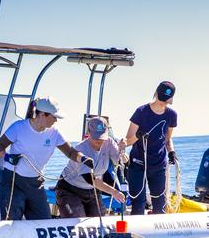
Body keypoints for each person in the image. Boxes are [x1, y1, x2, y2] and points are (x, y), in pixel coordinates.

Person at [0, 96, 94, 220]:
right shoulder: (18, 127)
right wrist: (7, 157)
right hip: (13, 181)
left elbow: (70, 152)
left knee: (44, 221)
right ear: (42, 115)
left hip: (35, 183)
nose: (56, 121)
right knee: (11, 222)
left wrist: (83, 158)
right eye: (54, 117)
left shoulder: (54, 132)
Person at [120, 81, 178, 214]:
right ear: (156, 93)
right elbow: (127, 141)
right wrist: (138, 136)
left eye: (166, 101)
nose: (163, 103)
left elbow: (167, 140)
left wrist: (172, 152)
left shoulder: (172, 115)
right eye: (161, 99)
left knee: (160, 205)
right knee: (138, 204)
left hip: (158, 164)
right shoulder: (141, 112)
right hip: (138, 164)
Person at [55, 116, 127, 218]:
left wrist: (122, 151)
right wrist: (114, 192)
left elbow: (122, 162)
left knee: (99, 222)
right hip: (70, 190)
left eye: (102, 137)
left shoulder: (109, 142)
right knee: (76, 221)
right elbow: (91, 180)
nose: (99, 141)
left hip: (92, 191)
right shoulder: (81, 149)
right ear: (88, 133)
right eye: (96, 137)